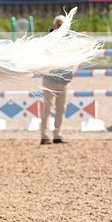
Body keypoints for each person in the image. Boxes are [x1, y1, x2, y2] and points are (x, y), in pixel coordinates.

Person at [40, 15, 72, 144]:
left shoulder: (69, 40)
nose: (60, 27)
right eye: (58, 25)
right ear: (54, 26)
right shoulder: (47, 40)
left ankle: (57, 133)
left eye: (62, 25)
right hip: (49, 79)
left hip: (64, 79)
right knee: (47, 107)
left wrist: (73, 69)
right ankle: (44, 134)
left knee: (61, 108)